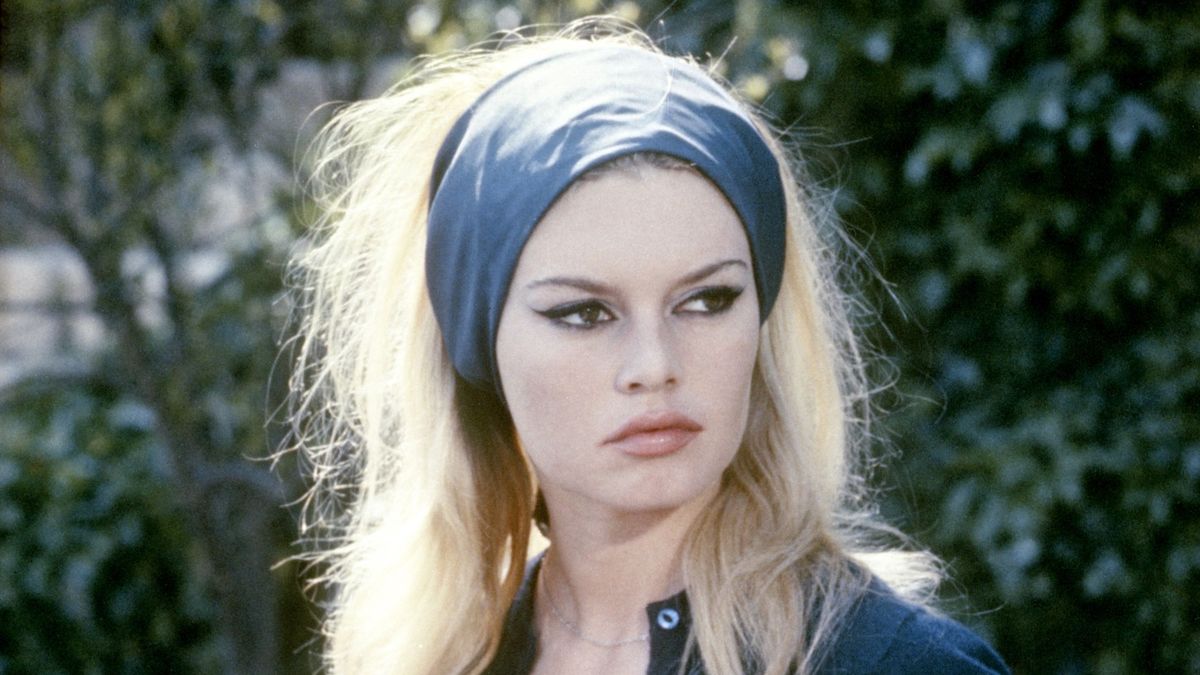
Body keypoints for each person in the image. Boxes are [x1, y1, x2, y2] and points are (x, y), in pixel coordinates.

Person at [286, 17, 1010, 675]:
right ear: (479, 342)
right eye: (583, 313)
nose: (655, 366)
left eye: (707, 300)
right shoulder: (433, 659)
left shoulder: (903, 664)